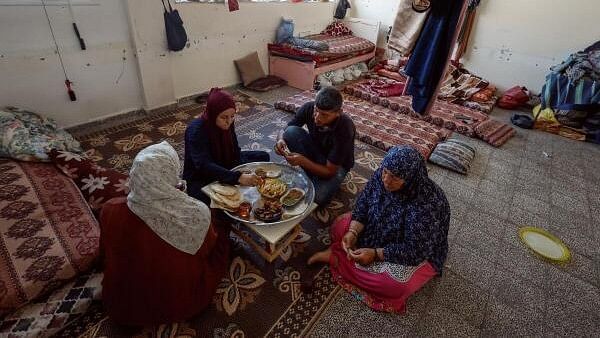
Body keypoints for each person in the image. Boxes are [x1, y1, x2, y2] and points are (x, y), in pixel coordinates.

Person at [308, 146, 450, 313]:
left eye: (395, 177)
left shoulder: (428, 204)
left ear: (411, 178)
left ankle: (337, 258)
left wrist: (375, 254)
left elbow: (416, 251)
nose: (386, 180)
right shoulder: (383, 174)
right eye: (385, 172)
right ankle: (346, 259)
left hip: (412, 251)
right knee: (340, 227)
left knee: (394, 285)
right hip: (379, 228)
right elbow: (363, 203)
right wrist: (353, 232)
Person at [100, 141, 230, 325]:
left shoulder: (109, 209)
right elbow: (207, 249)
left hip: (122, 305)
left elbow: (105, 251)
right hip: (180, 303)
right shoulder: (196, 214)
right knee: (222, 236)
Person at [183, 88, 269, 204]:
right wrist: (237, 177)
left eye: (232, 116)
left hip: (226, 162)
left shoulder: (228, 121)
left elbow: (235, 147)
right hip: (202, 175)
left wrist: (242, 168)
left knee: (263, 157)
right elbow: (204, 165)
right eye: (224, 117)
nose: (229, 121)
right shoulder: (196, 130)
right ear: (213, 114)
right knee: (212, 202)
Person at [274, 86, 355, 206]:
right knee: (290, 132)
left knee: (319, 197)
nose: (317, 117)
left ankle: (314, 179)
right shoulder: (308, 107)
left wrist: (302, 161)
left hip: (336, 166)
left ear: (338, 113)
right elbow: (284, 129)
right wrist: (280, 140)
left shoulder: (345, 128)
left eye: (324, 115)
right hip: (316, 152)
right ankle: (314, 177)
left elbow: (329, 171)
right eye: (316, 110)